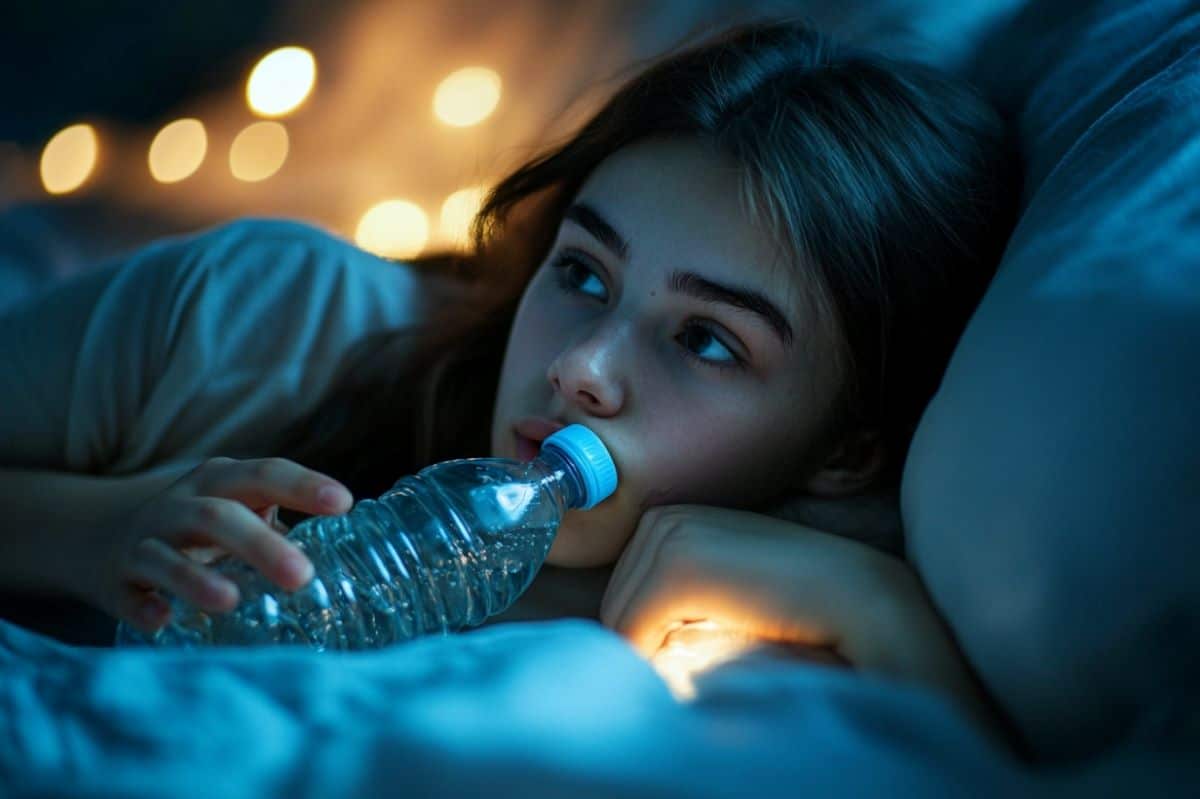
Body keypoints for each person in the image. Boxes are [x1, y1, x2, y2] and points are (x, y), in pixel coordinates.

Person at [0, 19, 1020, 741]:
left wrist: (879, 611)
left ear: (845, 452)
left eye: (705, 340)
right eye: (582, 273)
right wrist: (86, 531)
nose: (580, 368)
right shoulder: (263, 316)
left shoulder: (774, 645)